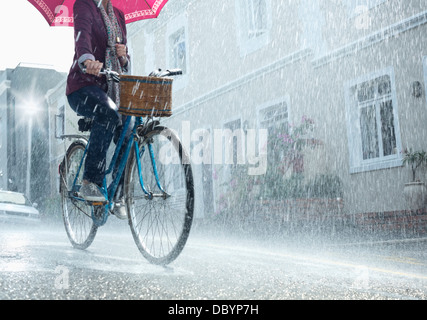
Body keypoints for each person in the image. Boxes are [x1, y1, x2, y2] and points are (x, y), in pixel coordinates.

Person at [66, 0, 131, 219]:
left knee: (131, 133)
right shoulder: (84, 5)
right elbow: (82, 35)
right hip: (83, 86)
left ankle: (119, 194)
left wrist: (123, 56)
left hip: (112, 89)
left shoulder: (119, 16)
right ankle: (90, 181)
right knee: (108, 112)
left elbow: (123, 61)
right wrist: (87, 60)